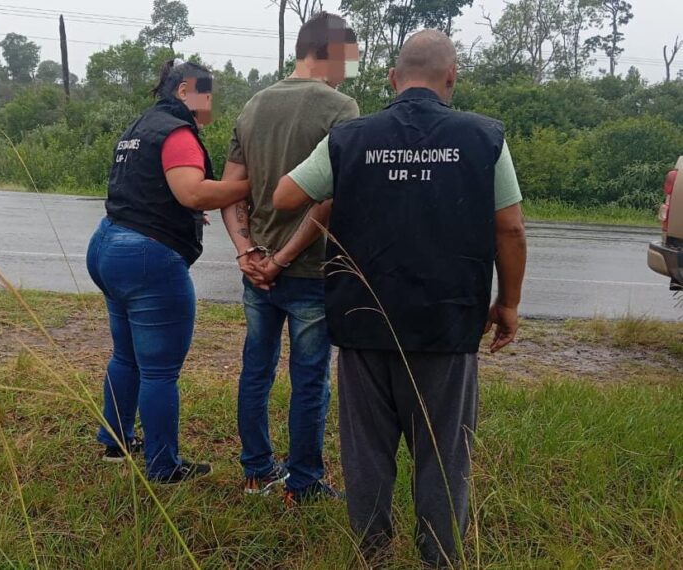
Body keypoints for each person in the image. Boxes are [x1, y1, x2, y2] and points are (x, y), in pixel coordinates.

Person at [273, 30, 528, 565]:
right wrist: (508, 303)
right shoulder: (485, 138)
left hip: (363, 324)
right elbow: (510, 230)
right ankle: (440, 556)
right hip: (447, 327)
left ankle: (373, 554)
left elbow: (286, 196)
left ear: (392, 80)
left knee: (367, 452)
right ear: (451, 79)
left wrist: (351, 178)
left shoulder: (350, 137)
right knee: (443, 453)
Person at [86, 60, 250, 484]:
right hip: (147, 259)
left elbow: (148, 188)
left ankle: (115, 441)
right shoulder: (177, 132)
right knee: (159, 370)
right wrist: (252, 185)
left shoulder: (140, 126)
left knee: (126, 355)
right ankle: (163, 466)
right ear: (185, 92)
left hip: (108, 244)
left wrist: (181, 214)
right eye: (206, 94)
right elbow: (192, 191)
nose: (210, 103)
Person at [220, 12, 361, 503]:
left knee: (255, 370)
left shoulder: (253, 105)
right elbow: (329, 198)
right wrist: (280, 259)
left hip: (255, 270)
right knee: (309, 380)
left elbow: (232, 188)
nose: (350, 69)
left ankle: (257, 472)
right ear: (330, 50)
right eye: (349, 57)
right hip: (305, 270)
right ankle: (303, 483)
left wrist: (246, 252)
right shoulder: (341, 107)